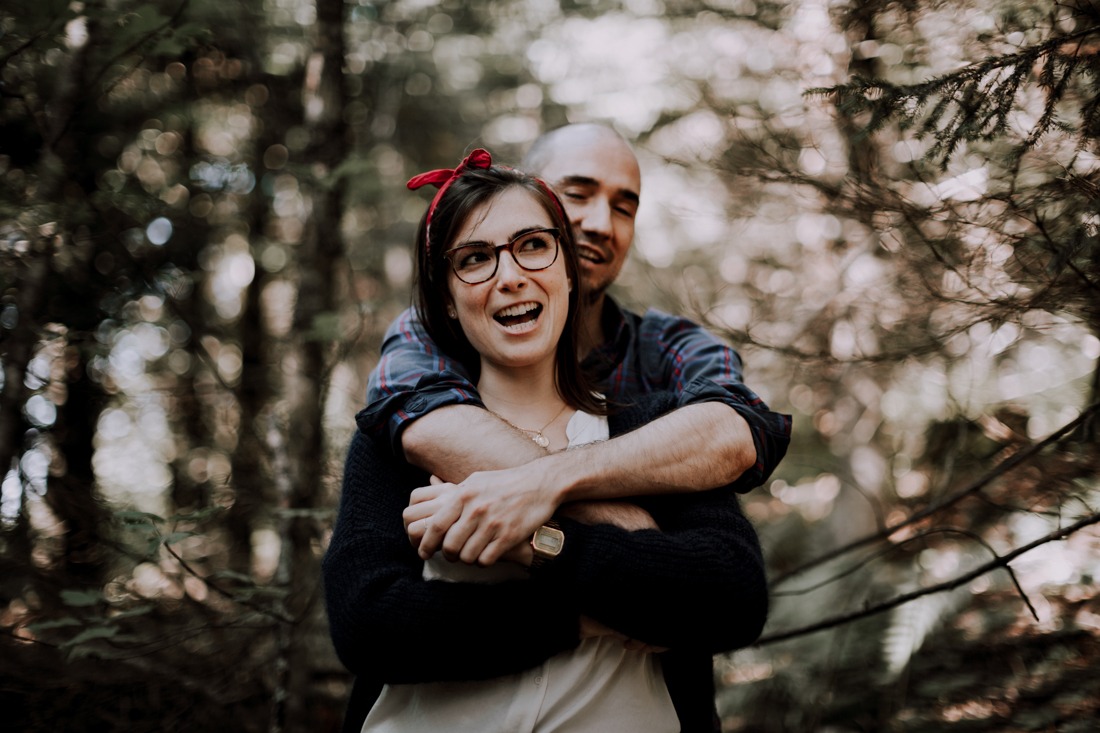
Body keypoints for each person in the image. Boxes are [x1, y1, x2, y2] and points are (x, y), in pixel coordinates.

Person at [323, 152, 769, 732]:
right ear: (448, 304)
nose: (509, 276)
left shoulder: (651, 429)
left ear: (568, 271)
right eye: (476, 259)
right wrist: (583, 615)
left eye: (533, 245)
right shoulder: (399, 443)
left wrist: (538, 542)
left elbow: (732, 598)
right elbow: (369, 626)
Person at [362, 123, 791, 569]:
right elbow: (425, 421)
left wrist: (546, 483)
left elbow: (734, 434)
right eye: (579, 194)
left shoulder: (667, 345)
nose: (603, 224)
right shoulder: (433, 329)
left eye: (623, 208)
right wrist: (649, 552)